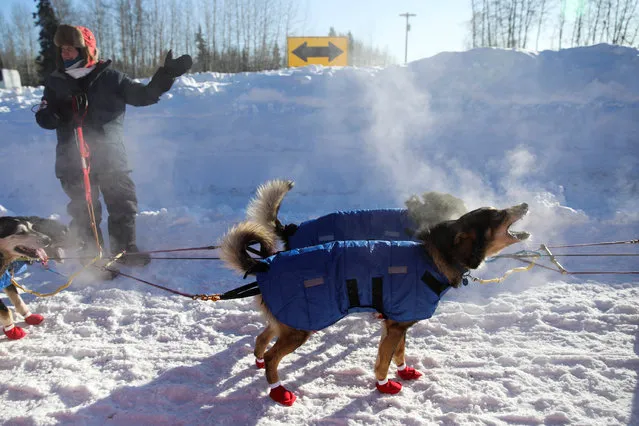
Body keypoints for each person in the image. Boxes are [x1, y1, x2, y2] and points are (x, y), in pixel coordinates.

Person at [35, 24, 192, 270]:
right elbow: (44, 115)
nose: (65, 54)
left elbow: (144, 95)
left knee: (123, 204)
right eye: (62, 49)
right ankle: (92, 258)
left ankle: (123, 251)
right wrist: (55, 115)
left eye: (71, 49)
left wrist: (166, 76)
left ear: (86, 50)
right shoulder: (56, 82)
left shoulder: (111, 77)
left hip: (110, 156)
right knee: (85, 210)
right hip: (72, 158)